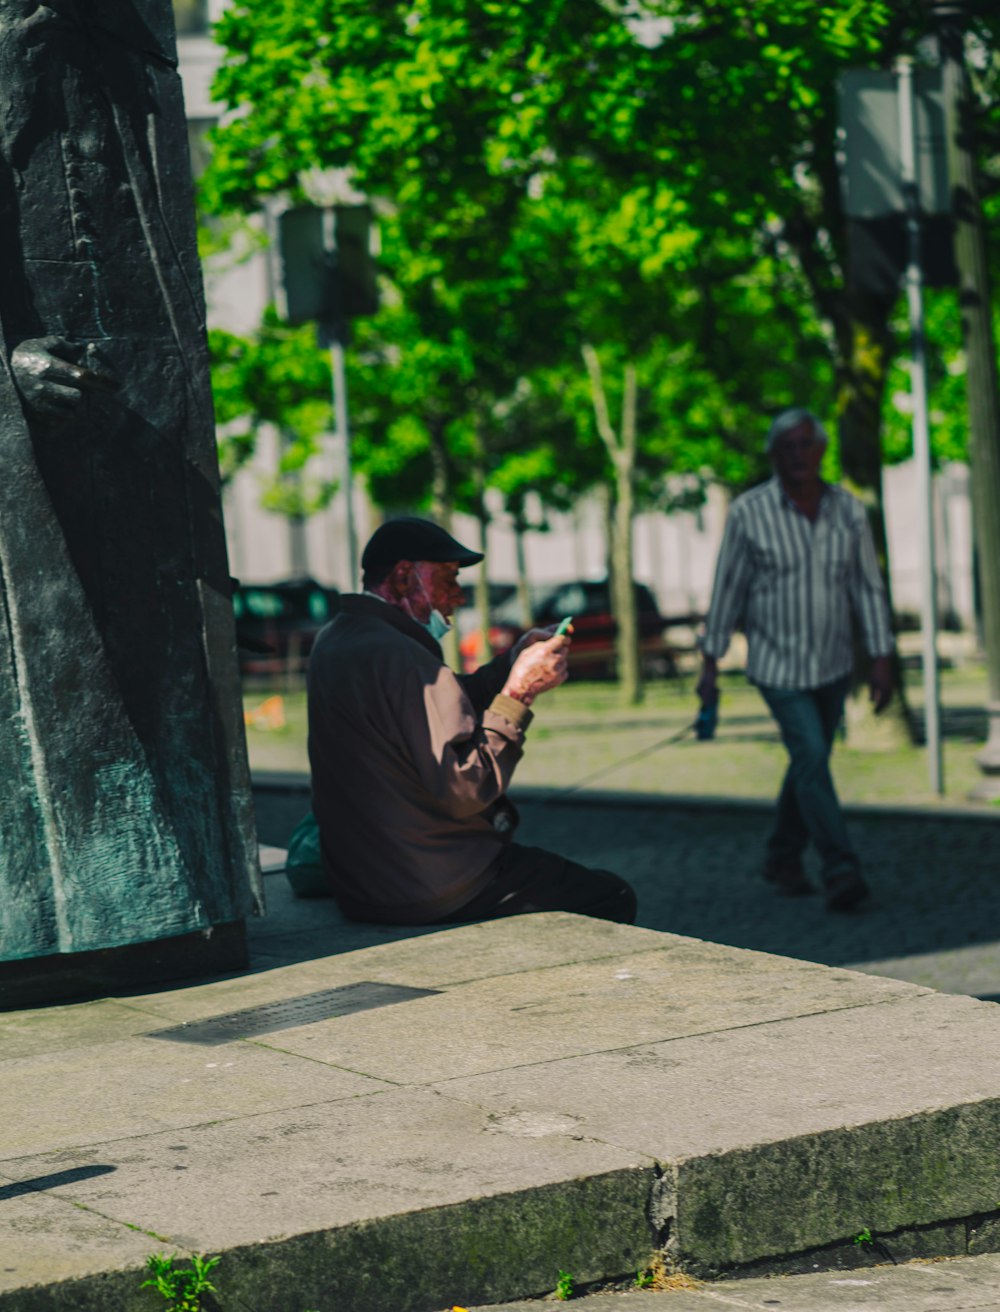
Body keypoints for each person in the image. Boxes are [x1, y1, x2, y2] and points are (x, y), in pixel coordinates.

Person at [307, 516, 637, 926]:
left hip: (367, 881)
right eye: (448, 579)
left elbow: (432, 708)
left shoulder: (341, 638)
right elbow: (467, 787)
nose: (457, 596)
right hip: (432, 883)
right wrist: (519, 693)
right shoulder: (401, 657)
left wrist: (509, 664)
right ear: (405, 577)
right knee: (611, 896)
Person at [697, 409, 894, 912]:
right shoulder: (749, 513)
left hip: (832, 664)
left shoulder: (848, 510)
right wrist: (710, 668)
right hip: (777, 666)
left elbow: (867, 587)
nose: (800, 454)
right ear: (774, 455)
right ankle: (840, 865)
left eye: (807, 444)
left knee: (811, 762)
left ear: (822, 450)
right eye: (789, 446)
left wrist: (881, 656)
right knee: (810, 755)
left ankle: (782, 855)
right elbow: (727, 591)